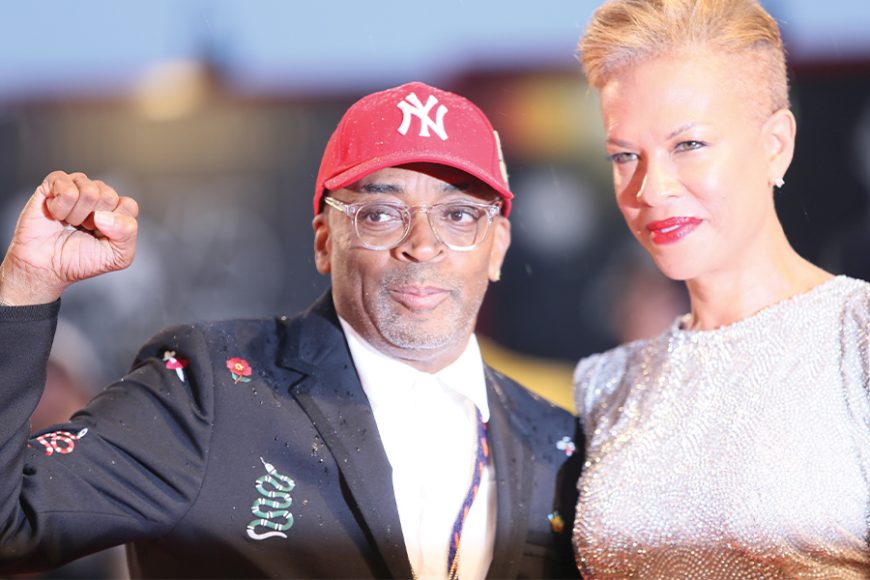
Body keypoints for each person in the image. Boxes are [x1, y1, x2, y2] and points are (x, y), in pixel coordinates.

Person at [0, 81, 583, 579]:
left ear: (498, 246)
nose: (423, 245)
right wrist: (24, 289)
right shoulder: (210, 392)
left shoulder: (557, 444)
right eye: (380, 213)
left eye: (459, 215)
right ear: (326, 242)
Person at [571, 0, 870, 577]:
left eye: (689, 145)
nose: (652, 188)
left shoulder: (857, 340)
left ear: (775, 144)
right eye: (625, 155)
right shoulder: (607, 385)